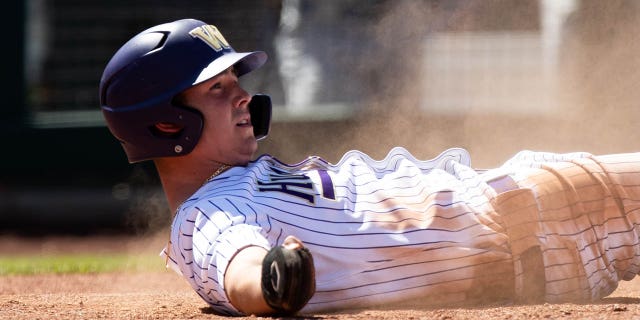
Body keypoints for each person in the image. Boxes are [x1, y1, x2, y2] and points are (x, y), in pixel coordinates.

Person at [99, 18, 640, 317]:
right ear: (168, 125)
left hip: (526, 230)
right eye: (219, 89)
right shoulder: (210, 211)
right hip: (535, 212)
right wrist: (270, 282)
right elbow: (238, 264)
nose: (243, 97)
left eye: (237, 84)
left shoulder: (237, 185)